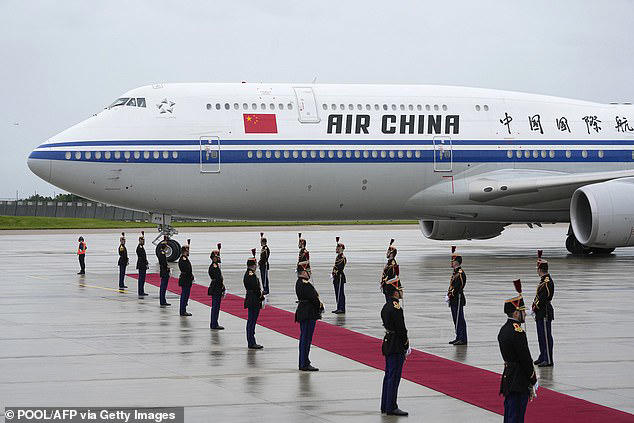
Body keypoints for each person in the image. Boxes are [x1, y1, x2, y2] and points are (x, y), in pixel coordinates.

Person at [498, 279, 538, 423]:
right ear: (515, 313)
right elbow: (525, 358)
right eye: (522, 312)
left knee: (509, 413)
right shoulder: (517, 332)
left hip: (509, 377)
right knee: (517, 415)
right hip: (519, 379)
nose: (525, 314)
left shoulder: (504, 330)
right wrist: (533, 379)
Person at [380, 280, 410, 416]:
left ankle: (385, 405)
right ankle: (391, 406)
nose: (401, 292)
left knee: (388, 375)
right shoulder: (396, 308)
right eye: (400, 289)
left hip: (388, 342)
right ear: (395, 292)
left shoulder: (386, 306)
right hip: (396, 344)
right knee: (394, 376)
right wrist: (406, 344)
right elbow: (401, 329)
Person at [295, 260, 323, 371]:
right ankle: (304, 363)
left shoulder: (300, 282)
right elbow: (314, 298)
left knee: (304, 339)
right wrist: (320, 306)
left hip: (304, 312)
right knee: (306, 339)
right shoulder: (305, 284)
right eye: (308, 271)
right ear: (303, 272)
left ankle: (303, 361)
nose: (309, 273)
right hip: (308, 313)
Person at [532, 250, 555, 367]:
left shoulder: (547, 282)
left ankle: (548, 359)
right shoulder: (543, 281)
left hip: (544, 311)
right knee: (541, 336)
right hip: (540, 312)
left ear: (540, 269)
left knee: (546, 337)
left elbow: (542, 298)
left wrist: (534, 307)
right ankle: (543, 356)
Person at [243, 249, 264, 349]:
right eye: (255, 264)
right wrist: (261, 296)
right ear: (253, 265)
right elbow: (255, 288)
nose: (256, 266)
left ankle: (251, 341)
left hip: (252, 299)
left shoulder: (249, 274)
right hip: (253, 300)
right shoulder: (251, 275)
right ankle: (251, 342)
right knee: (252, 322)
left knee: (251, 321)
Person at [447, 246, 468, 345]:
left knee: (459, 319)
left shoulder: (460, 273)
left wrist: (450, 295)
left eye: (453, 261)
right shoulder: (455, 272)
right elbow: (452, 286)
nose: (451, 262)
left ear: (457, 262)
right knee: (456, 319)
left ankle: (462, 338)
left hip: (458, 299)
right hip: (454, 299)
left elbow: (459, 287)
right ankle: (458, 336)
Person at [208, 243, 225, 330]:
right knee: (215, 307)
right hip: (216, 288)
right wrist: (221, 286)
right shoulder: (214, 267)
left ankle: (215, 322)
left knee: (216, 307)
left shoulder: (216, 266)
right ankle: (214, 323)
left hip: (216, 287)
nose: (218, 258)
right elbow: (218, 278)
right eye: (217, 257)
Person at [331, 236, 347, 314]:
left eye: (338, 248)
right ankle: (338, 307)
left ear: (341, 249)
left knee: (340, 293)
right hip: (336, 277)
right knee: (337, 293)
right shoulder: (338, 257)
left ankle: (342, 308)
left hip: (340, 277)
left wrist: (335, 272)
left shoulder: (343, 258)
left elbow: (340, 268)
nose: (336, 249)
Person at [178, 241, 194, 316]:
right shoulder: (183, 259)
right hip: (185, 279)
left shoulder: (184, 258)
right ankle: (182, 310)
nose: (188, 252)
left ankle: (183, 309)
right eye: (187, 251)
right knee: (184, 295)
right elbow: (187, 269)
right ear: (185, 251)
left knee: (185, 295)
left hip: (186, 279)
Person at [157, 241, 171, 307]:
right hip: (164, 271)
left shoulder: (161, 252)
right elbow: (164, 263)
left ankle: (163, 300)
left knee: (163, 287)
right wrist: (167, 267)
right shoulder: (162, 253)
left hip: (163, 270)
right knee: (163, 287)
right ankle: (162, 301)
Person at [136, 231, 149, 297]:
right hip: (141, 264)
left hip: (142, 264)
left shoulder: (141, 247)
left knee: (142, 279)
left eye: (143, 241)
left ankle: (141, 291)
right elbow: (142, 257)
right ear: (139, 241)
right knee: (141, 279)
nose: (143, 242)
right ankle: (140, 291)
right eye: (142, 241)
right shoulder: (140, 247)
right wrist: (145, 262)